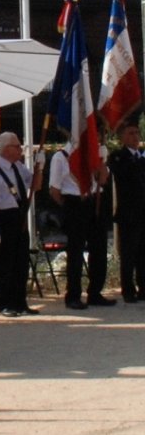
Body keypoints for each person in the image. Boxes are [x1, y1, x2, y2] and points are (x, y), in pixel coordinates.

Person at [0, 132, 45, 317]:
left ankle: (20, 302)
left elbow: (36, 186)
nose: (20, 149)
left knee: (20, 264)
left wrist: (40, 167)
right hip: (2, 219)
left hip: (19, 218)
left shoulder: (18, 167)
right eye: (17, 146)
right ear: (6, 149)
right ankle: (4, 304)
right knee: (3, 265)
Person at [49, 141, 116, 309]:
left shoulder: (95, 153)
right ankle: (73, 295)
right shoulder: (61, 157)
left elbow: (103, 179)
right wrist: (68, 207)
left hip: (95, 201)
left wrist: (102, 160)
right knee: (76, 252)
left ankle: (95, 293)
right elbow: (54, 190)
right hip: (74, 203)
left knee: (99, 249)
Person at [107, 121, 145, 303]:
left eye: (137, 133)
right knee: (129, 253)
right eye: (131, 133)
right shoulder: (118, 157)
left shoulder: (142, 157)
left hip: (143, 212)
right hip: (129, 213)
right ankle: (128, 290)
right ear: (122, 137)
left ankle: (143, 287)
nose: (135, 137)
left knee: (143, 253)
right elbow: (123, 175)